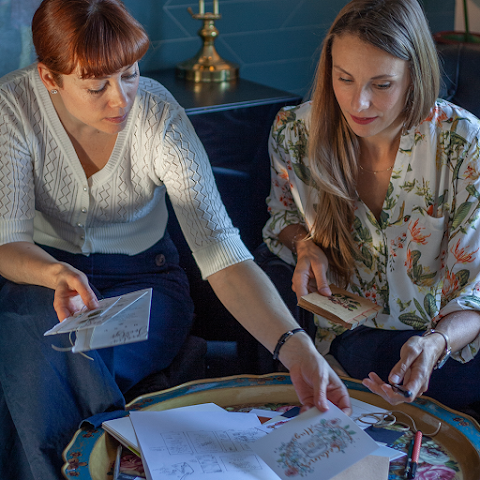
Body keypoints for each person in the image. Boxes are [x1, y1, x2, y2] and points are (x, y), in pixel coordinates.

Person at [0, 0, 351, 478]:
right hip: (44, 279)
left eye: (130, 73)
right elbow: (9, 242)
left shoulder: (157, 116)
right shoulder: (14, 106)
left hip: (145, 282)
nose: (120, 99)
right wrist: (53, 272)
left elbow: (221, 251)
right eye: (96, 85)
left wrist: (295, 347)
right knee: (31, 336)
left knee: (49, 363)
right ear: (48, 78)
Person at [257, 0, 480, 415]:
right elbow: (283, 216)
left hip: (441, 341)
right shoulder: (294, 131)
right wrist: (305, 244)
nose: (358, 104)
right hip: (349, 335)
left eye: (381, 85)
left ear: (415, 75)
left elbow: (475, 291)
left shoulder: (462, 142)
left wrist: (436, 344)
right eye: (345, 79)